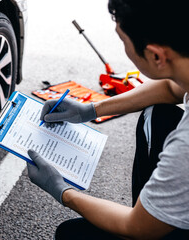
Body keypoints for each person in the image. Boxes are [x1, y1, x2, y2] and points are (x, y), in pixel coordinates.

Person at [26, 0, 189, 239]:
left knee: (72, 234)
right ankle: (155, 204)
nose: (123, 47)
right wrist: (91, 109)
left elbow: (138, 226)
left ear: (156, 56)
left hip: (148, 224)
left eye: (123, 40)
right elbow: (169, 87)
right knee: (157, 114)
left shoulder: (185, 145)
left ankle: (156, 208)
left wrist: (63, 191)